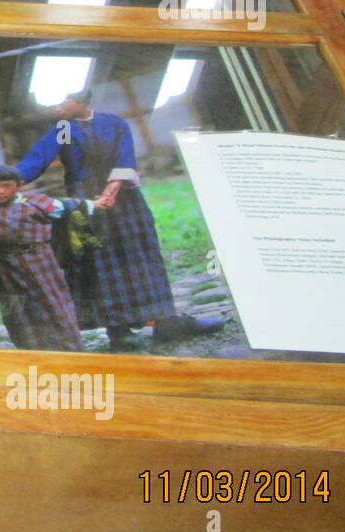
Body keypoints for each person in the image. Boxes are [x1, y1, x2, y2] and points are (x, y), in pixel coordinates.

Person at [15, 88, 218, 348]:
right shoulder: (64, 128)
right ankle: (118, 332)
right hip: (87, 202)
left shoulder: (114, 123)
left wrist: (112, 190)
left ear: (81, 102)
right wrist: (3, 182)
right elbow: (36, 159)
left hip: (125, 197)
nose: (57, 109)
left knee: (141, 254)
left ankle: (166, 322)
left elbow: (125, 158)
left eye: (62, 103)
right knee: (98, 261)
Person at [0, 165, 84, 352]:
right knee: (18, 310)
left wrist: (99, 203)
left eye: (6, 185)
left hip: (40, 262)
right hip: (6, 268)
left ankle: (71, 351)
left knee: (52, 303)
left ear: (19, 185)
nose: (0, 191)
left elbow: (71, 209)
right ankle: (31, 352)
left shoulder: (35, 202)